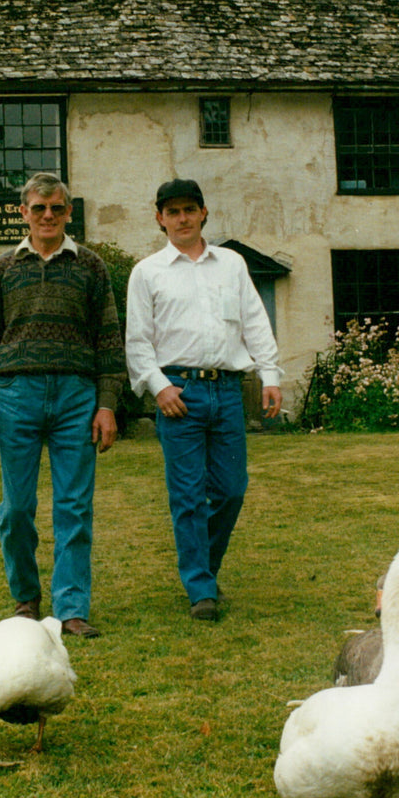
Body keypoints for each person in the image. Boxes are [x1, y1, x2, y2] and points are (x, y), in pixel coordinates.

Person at [0, 173, 126, 638]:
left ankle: (72, 607)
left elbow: (109, 341)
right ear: (24, 213)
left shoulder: (91, 268)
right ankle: (26, 600)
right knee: (16, 509)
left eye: (56, 208)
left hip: (78, 397)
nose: (48, 216)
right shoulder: (2, 270)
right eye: (39, 208)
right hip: (16, 396)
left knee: (74, 506)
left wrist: (107, 403)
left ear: (69, 212)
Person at [125, 178, 283, 622]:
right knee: (189, 496)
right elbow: (137, 341)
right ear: (159, 218)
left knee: (232, 490)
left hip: (228, 391)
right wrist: (159, 387)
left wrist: (269, 374)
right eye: (172, 212)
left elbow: (255, 321)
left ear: (203, 213)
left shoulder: (231, 264)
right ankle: (200, 589)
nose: (182, 219)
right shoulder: (147, 272)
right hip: (180, 394)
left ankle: (203, 570)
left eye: (189, 210)